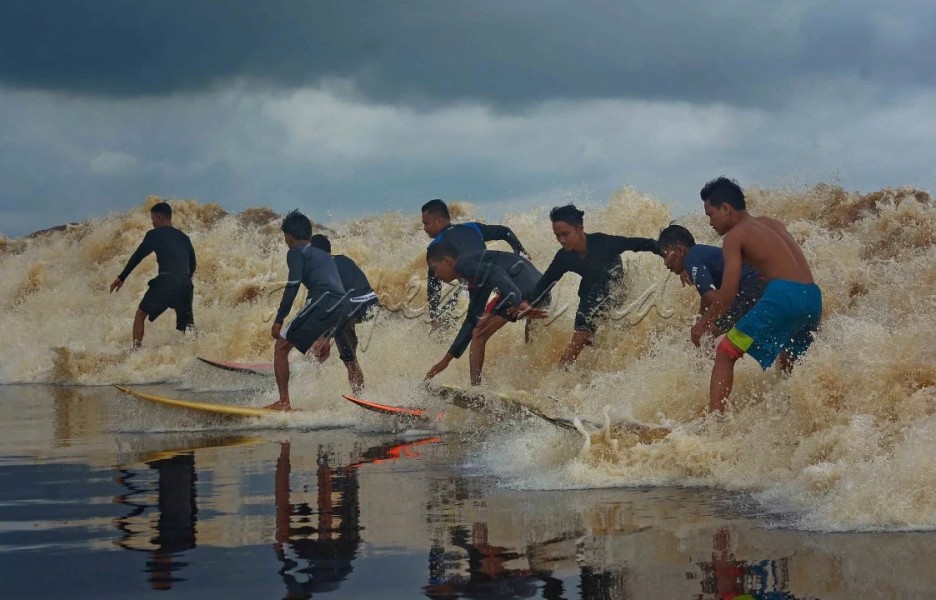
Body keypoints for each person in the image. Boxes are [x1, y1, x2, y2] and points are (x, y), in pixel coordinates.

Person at [690, 177, 822, 413]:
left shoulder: (734, 236)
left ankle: (712, 425)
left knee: (725, 352)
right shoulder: (772, 224)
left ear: (726, 209)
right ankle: (790, 414)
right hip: (812, 297)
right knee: (789, 358)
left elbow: (727, 293)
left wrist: (703, 323)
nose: (709, 222)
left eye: (710, 214)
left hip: (783, 296)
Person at [528, 204, 660, 367]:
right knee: (585, 320)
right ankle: (586, 364)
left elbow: (639, 244)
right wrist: (527, 304)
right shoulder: (564, 257)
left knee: (586, 323)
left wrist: (667, 252)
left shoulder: (602, 242)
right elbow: (546, 282)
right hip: (591, 290)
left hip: (615, 286)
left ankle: (563, 368)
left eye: (565, 234)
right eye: (557, 236)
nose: (561, 240)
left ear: (579, 228)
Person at [269, 210, 357, 411]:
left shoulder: (295, 252)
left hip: (324, 302)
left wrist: (279, 318)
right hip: (345, 305)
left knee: (281, 347)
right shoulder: (324, 256)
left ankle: (284, 402)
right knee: (351, 360)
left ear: (289, 236)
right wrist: (328, 334)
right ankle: (361, 403)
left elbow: (293, 285)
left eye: (285, 238)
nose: (285, 242)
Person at [424, 243, 546, 385]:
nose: (436, 276)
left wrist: (518, 302)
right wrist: (447, 360)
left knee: (479, 334)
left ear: (447, 261)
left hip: (520, 288)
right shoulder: (476, 274)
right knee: (531, 342)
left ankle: (476, 389)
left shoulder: (462, 265)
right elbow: (472, 319)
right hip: (542, 287)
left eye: (435, 269)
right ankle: (536, 385)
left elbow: (496, 272)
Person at [421, 199, 529, 329]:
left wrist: (434, 315)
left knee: (473, 324)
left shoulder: (436, 247)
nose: (424, 228)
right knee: (525, 308)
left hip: (477, 287)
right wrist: (521, 252)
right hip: (502, 276)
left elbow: (434, 284)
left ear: (438, 221)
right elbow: (505, 232)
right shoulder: (472, 227)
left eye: (426, 223)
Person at [110, 202, 196, 349]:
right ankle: (195, 353)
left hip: (166, 281)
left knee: (140, 315)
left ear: (160, 218)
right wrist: (183, 281)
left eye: (153, 218)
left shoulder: (154, 235)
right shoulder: (184, 237)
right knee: (188, 327)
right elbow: (192, 264)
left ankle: (136, 352)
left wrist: (122, 277)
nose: (152, 222)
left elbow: (138, 256)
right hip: (185, 284)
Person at [657, 224, 766, 337]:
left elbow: (710, 297)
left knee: (709, 334)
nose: (665, 263)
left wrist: (701, 321)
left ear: (680, 250)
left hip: (751, 285)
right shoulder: (697, 254)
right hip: (761, 282)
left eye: (665, 256)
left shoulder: (691, 258)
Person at [308, 234, 378, 392]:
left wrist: (325, 337)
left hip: (348, 309)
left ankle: (357, 397)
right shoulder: (344, 259)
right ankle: (358, 393)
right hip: (371, 304)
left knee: (349, 360)